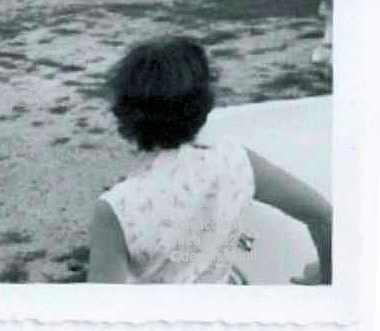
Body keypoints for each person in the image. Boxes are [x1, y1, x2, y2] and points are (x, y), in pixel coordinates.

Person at [87, 36, 332, 284]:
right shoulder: (237, 160)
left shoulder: (117, 207)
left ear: (126, 115)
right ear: (203, 102)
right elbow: (323, 216)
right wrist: (326, 276)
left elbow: (104, 309)